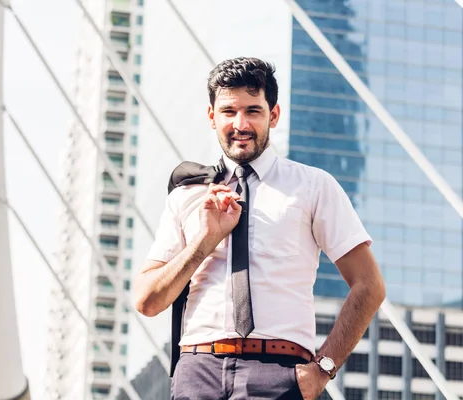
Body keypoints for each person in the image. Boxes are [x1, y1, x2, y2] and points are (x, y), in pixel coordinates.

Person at [133, 57, 386, 400]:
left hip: (279, 375)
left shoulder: (313, 186)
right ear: (212, 117)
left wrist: (322, 370)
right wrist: (204, 241)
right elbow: (147, 300)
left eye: (253, 111)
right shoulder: (188, 194)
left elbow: (369, 286)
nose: (240, 124)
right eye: (228, 111)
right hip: (198, 372)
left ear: (274, 115)